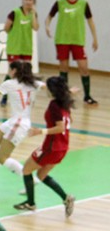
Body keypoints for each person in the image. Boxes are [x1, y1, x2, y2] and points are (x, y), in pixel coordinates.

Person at [14, 77, 75, 217]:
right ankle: (66, 198)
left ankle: (30, 203)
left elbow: (60, 128)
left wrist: (40, 131)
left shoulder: (54, 105)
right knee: (41, 174)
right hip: (63, 147)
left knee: (26, 169)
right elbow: (68, 121)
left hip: (51, 147)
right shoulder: (65, 103)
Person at [45, 0, 99, 106]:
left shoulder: (83, 3)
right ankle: (64, 95)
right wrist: (47, 26)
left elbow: (90, 21)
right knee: (64, 68)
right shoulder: (59, 3)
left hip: (77, 40)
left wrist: (95, 38)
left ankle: (87, 96)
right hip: (62, 39)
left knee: (84, 68)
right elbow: (49, 17)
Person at [0, 0, 39, 107]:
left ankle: (26, 97)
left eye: (30, 0)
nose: (28, 2)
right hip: (14, 47)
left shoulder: (33, 13)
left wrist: (34, 14)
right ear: (22, 0)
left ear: (34, 1)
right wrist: (14, 35)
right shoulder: (15, 13)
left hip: (26, 47)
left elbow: (36, 28)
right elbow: (6, 27)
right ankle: (4, 96)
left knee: (27, 72)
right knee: (12, 73)